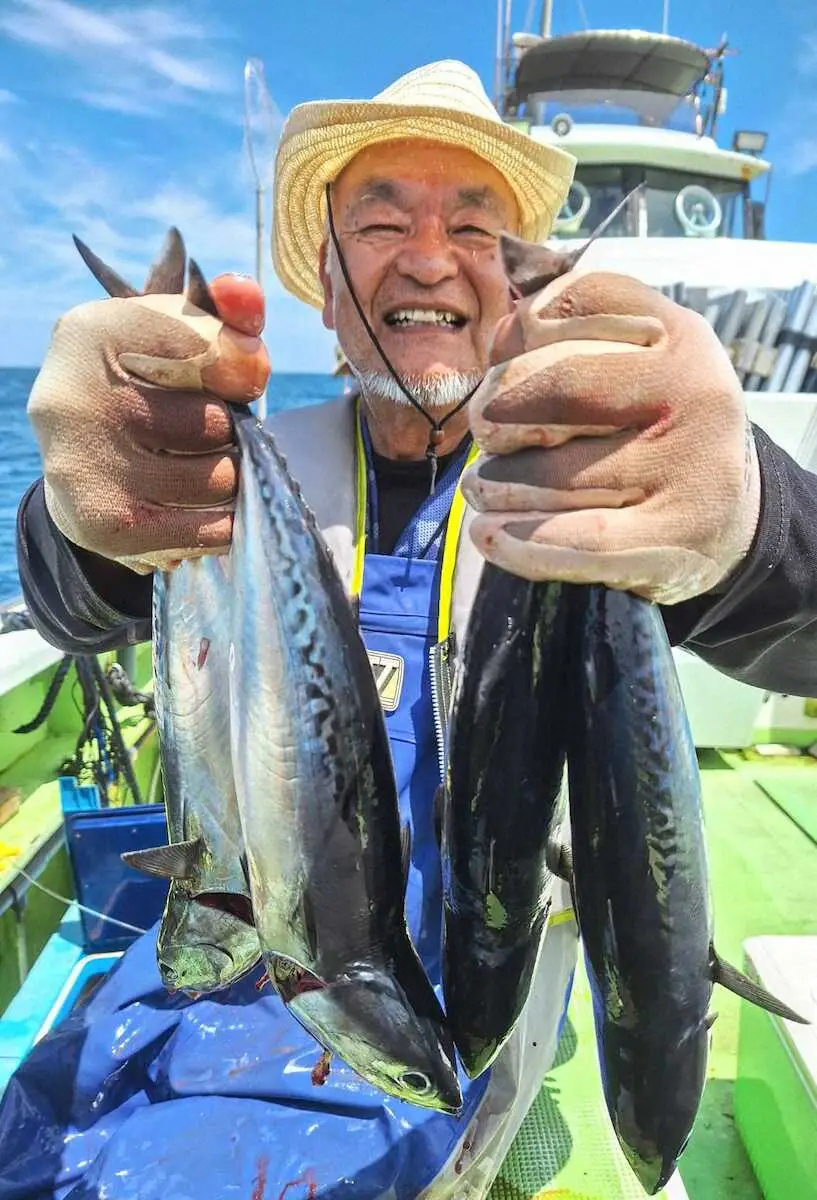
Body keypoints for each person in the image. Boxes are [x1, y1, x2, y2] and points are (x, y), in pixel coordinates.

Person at [4, 59, 817, 1199]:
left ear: (516, 288)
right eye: (380, 223)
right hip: (212, 976)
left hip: (432, 1015)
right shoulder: (234, 466)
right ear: (328, 292)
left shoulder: (598, 489)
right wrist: (91, 513)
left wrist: (743, 515)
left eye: (475, 228)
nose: (429, 257)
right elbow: (69, 598)